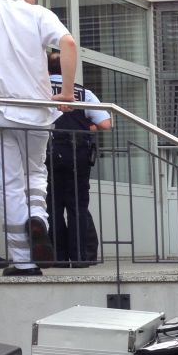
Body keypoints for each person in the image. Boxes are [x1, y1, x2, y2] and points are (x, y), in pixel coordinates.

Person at [0, 0, 77, 277]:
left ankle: (23, 260)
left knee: (10, 183)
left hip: (2, 112)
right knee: (35, 174)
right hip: (38, 112)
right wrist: (67, 92)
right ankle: (39, 220)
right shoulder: (38, 15)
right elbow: (68, 43)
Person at [46, 50, 111, 267]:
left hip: (46, 153)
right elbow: (105, 124)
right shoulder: (83, 92)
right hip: (78, 155)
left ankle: (57, 257)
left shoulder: (38, 89)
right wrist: (86, 126)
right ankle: (80, 257)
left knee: (51, 206)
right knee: (77, 207)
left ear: (46, 70)